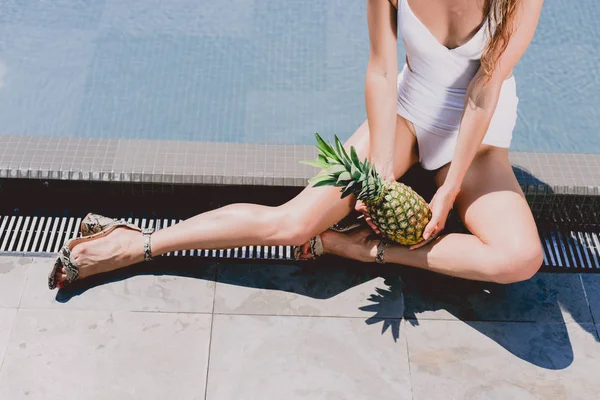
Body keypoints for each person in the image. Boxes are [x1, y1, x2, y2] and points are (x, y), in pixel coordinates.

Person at [49, 0, 545, 290]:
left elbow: (486, 85)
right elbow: (380, 67)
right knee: (292, 222)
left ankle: (357, 248)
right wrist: (380, 172)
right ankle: (135, 242)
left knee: (518, 259)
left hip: (479, 140)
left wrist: (451, 186)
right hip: (408, 116)